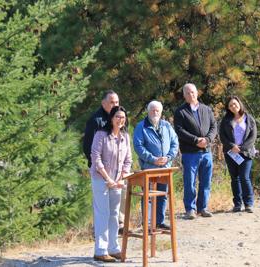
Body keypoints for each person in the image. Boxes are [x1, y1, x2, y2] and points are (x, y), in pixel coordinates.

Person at [90, 106, 132, 262]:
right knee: (103, 213)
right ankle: (100, 250)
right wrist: (108, 179)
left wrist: (121, 178)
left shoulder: (125, 136)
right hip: (101, 179)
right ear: (111, 118)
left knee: (114, 215)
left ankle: (113, 248)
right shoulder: (101, 134)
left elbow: (128, 160)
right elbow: (95, 157)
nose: (120, 120)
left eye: (123, 117)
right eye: (117, 117)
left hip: (117, 181)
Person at [174, 83, 217, 219]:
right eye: (187, 93)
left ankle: (203, 208)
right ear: (184, 96)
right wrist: (196, 140)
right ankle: (190, 209)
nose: (190, 95)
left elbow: (213, 126)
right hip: (190, 153)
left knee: (206, 181)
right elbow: (180, 131)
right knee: (190, 181)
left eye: (192, 92)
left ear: (197, 93)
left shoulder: (206, 109)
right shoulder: (180, 112)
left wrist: (208, 139)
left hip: (206, 152)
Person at [133, 100, 179, 229]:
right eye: (152, 110)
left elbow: (175, 143)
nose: (155, 112)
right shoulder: (141, 127)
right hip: (149, 168)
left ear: (161, 112)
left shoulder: (166, 126)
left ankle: (159, 221)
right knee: (147, 196)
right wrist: (153, 159)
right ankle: (147, 224)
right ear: (148, 111)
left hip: (165, 167)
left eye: (157, 110)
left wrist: (168, 157)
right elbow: (138, 146)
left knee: (162, 195)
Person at [219, 96, 257, 213]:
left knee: (244, 177)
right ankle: (237, 204)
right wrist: (232, 146)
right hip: (231, 153)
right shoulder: (226, 120)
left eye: (235, 104)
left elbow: (253, 136)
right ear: (228, 108)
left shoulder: (249, 118)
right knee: (234, 179)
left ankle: (249, 204)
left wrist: (242, 148)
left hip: (246, 153)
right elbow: (222, 136)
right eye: (230, 105)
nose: (233, 107)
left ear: (239, 104)